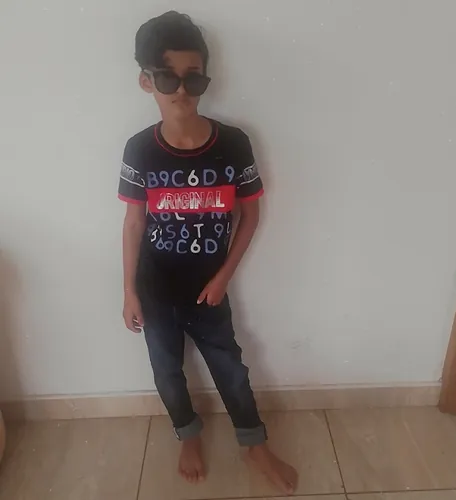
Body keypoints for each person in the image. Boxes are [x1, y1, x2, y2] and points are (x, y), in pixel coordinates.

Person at [118, 10, 298, 495]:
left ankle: (254, 444)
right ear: (146, 81)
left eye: (193, 77)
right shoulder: (140, 149)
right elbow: (133, 223)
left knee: (229, 366)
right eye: (167, 77)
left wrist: (222, 278)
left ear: (205, 79)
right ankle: (188, 435)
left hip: (208, 286)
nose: (181, 89)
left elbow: (250, 216)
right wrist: (129, 290)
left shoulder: (233, 144)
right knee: (166, 368)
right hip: (156, 285)